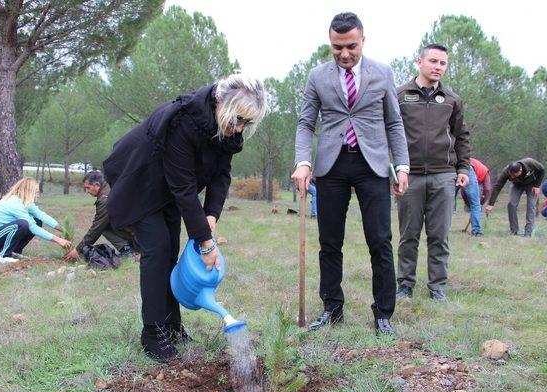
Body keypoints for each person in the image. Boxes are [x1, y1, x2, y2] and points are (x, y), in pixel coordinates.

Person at [103, 74, 267, 362]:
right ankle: (152, 332)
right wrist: (205, 242)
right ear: (221, 102)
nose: (239, 128)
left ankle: (172, 326)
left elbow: (221, 176)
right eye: (237, 120)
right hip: (141, 182)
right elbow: (184, 187)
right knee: (157, 250)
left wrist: (211, 216)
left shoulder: (225, 126)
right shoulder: (184, 120)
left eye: (246, 123)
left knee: (170, 253)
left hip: (166, 188)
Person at [292, 12, 409, 336]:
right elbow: (305, 123)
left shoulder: (383, 73)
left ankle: (383, 313)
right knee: (329, 242)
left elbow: (394, 123)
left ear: (363, 41)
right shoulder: (317, 76)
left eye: (351, 46)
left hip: (372, 166)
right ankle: (332, 308)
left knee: (380, 241)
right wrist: (303, 161)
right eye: (337, 47)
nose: (344, 54)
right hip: (332, 166)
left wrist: (401, 166)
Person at [395, 43, 471, 303]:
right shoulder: (400, 95)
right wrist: (394, 169)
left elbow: (462, 137)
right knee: (408, 235)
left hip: (443, 176)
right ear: (419, 62)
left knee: (439, 236)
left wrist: (463, 168)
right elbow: (390, 133)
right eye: (433, 61)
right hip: (409, 176)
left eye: (443, 63)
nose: (438, 67)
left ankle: (437, 287)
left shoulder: (451, 100)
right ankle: (404, 285)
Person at [0, 177, 71, 264]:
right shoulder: (14, 203)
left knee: (37, 221)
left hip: (0, 237)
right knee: (23, 224)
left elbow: (42, 215)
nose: (38, 195)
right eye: (36, 192)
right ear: (28, 191)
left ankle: (14, 252)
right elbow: (32, 227)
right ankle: (3, 256)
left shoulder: (24, 202)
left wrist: (64, 229)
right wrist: (59, 240)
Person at [64, 170, 137, 261]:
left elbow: (96, 228)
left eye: (88, 187)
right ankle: (129, 248)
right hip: (138, 231)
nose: (86, 191)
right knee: (103, 225)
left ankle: (127, 250)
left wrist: (78, 250)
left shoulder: (105, 199)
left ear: (97, 185)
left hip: (138, 235)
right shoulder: (109, 186)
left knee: (102, 227)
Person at [486, 158, 545, 237]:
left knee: (531, 206)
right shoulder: (506, 172)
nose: (512, 176)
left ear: (520, 171)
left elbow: (542, 170)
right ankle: (514, 231)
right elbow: (497, 186)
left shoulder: (530, 162)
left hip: (532, 184)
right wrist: (491, 204)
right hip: (517, 185)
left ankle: (528, 232)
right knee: (511, 204)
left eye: (514, 175)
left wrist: (537, 186)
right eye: (511, 175)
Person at [461, 157, 492, 236]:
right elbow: (488, 189)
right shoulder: (483, 171)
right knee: (475, 204)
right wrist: (477, 204)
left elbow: (487, 190)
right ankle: (477, 232)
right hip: (467, 168)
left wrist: (480, 202)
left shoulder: (484, 171)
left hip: (458, 166)